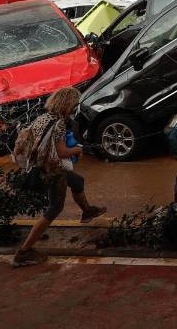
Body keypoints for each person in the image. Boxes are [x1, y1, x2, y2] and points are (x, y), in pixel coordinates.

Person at [11, 87, 106, 268]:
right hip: (53, 171)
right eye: (74, 105)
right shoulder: (59, 123)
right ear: (67, 104)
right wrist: (79, 149)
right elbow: (62, 152)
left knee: (77, 181)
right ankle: (23, 252)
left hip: (42, 166)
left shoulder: (43, 118)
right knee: (54, 209)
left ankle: (87, 211)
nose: (75, 109)